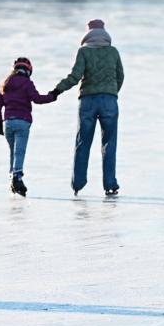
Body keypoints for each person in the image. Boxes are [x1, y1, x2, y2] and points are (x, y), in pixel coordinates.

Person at [51, 19, 124, 196]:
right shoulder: (113, 51)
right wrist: (112, 92)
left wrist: (57, 90)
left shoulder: (83, 51)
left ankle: (78, 184)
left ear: (88, 32)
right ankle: (110, 184)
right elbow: (120, 76)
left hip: (87, 102)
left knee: (82, 142)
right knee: (109, 143)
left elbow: (75, 76)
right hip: (109, 102)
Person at [0, 57, 56, 196]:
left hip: (7, 123)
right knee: (19, 152)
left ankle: (12, 180)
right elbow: (37, 99)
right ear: (29, 70)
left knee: (13, 152)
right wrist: (53, 96)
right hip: (23, 122)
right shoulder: (27, 83)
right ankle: (17, 178)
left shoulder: (6, 83)